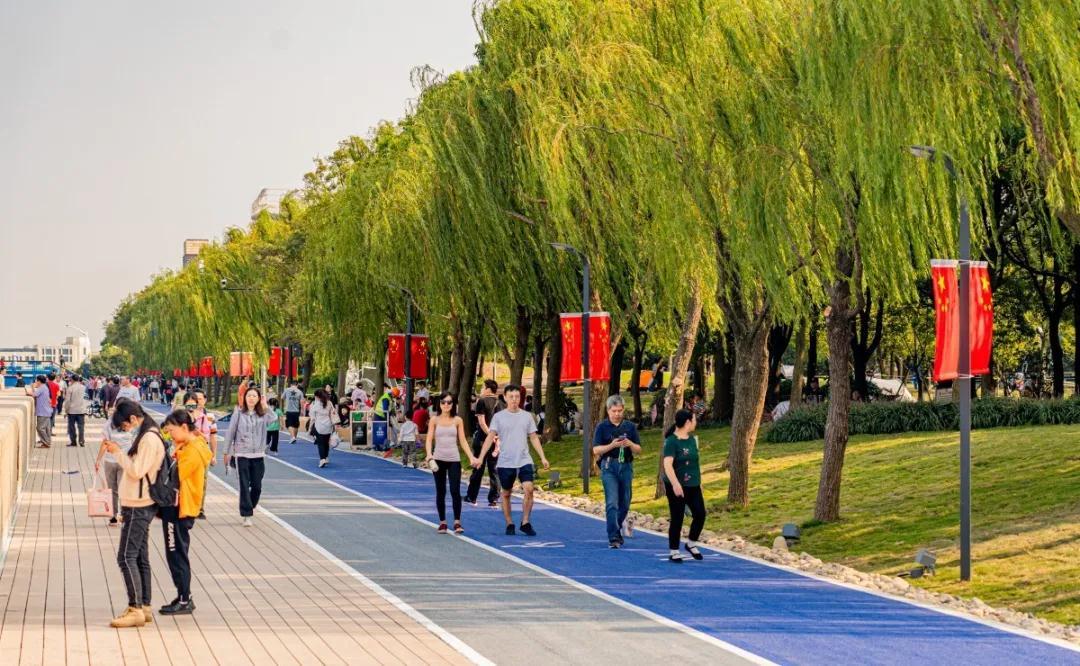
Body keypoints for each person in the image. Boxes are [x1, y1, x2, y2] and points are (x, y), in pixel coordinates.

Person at [102, 400, 166, 627]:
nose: (126, 430)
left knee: (126, 556)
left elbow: (137, 470)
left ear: (132, 419)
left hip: (139, 504)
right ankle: (144, 607)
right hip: (139, 502)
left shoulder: (148, 438)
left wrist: (118, 453)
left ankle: (135, 608)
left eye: (125, 426)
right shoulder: (148, 434)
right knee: (139, 557)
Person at [158, 409, 212, 615]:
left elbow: (176, 475)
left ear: (183, 427)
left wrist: (171, 454)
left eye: (171, 430)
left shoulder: (193, 450)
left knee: (176, 553)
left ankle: (184, 599)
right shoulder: (189, 446)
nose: (170, 435)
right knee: (175, 552)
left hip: (180, 508)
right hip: (179, 506)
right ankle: (183, 595)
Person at [477, 384, 549, 536]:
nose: (514, 400)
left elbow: (533, 437)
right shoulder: (499, 417)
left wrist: (542, 457)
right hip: (506, 461)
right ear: (505, 398)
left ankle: (525, 522)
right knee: (506, 493)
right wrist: (481, 457)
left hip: (524, 459)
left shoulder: (527, 416)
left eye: (517, 397)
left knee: (529, 489)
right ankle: (509, 522)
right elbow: (490, 437)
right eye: (511, 397)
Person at [223, 387, 277, 526]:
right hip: (242, 454)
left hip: (258, 455)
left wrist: (265, 406)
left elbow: (274, 418)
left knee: (257, 486)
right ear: (245, 398)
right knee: (244, 485)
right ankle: (247, 515)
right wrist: (226, 452)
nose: (251, 398)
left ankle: (250, 506)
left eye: (254, 396)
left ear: (258, 398)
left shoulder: (263, 414)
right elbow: (230, 432)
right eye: (249, 396)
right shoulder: (238, 413)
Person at [593, 395, 642, 548]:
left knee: (625, 502)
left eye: (620, 411)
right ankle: (613, 536)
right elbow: (596, 450)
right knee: (612, 502)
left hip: (626, 466)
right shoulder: (602, 427)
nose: (617, 414)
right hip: (609, 466)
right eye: (614, 411)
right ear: (608, 411)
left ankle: (617, 526)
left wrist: (630, 444)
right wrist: (612, 445)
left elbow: (639, 449)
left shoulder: (630, 427)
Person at [424, 392, 477, 534]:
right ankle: (442, 522)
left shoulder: (458, 420)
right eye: (443, 402)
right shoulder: (434, 420)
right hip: (438, 459)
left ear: (453, 404)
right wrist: (429, 454)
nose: (446, 405)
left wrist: (471, 457)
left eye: (449, 402)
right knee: (440, 491)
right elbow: (429, 439)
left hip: (454, 459)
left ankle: (457, 522)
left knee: (455, 491)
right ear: (439, 404)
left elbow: (463, 441)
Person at [662, 409, 706, 562]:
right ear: (688, 422)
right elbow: (667, 465)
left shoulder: (692, 440)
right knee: (677, 517)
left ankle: (691, 543)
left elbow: (694, 462)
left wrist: (699, 482)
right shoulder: (671, 441)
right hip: (676, 485)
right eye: (694, 420)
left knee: (700, 514)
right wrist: (675, 484)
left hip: (693, 484)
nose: (695, 423)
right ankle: (674, 550)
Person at [94, 398, 135, 526]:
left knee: (114, 490)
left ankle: (115, 516)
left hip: (113, 460)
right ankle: (121, 515)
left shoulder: (110, 423)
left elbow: (105, 442)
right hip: (122, 461)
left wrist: (98, 460)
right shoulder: (130, 423)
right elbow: (135, 443)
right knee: (121, 489)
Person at [466, 380, 502, 507]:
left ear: (488, 389)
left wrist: (490, 435)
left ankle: (472, 497)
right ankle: (494, 498)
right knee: (494, 469)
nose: (481, 390)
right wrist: (496, 438)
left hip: (482, 439)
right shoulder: (501, 403)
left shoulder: (481, 401)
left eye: (483, 387)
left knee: (478, 468)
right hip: (496, 440)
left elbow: (482, 422)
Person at [188, 389, 217, 519]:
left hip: (203, 452)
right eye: (195, 399)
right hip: (188, 451)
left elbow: (212, 436)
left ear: (205, 400)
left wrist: (213, 455)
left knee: (203, 480)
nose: (198, 402)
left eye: (200, 399)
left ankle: (200, 508)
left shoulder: (209, 416)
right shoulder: (185, 414)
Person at [308, 388, 338, 468]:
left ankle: (322, 459)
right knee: (326, 442)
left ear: (317, 396)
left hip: (319, 426)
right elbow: (333, 413)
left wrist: (310, 429)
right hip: (328, 425)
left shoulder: (315, 404)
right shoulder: (329, 403)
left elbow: (312, 418)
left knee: (320, 443)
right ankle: (326, 457)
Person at [26, 375, 53, 448]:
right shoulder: (44, 387)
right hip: (46, 411)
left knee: (40, 428)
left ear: (39, 381)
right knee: (46, 429)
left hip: (43, 411)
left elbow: (34, 394)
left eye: (36, 381)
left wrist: (31, 388)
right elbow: (36, 394)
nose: (36, 382)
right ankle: (47, 442)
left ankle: (46, 442)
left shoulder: (42, 388)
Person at [64, 375, 89, 447]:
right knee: (81, 427)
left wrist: (66, 410)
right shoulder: (84, 387)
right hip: (81, 410)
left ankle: (73, 442)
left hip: (72, 410)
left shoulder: (70, 388)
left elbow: (67, 401)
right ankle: (81, 441)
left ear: (72, 380)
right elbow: (87, 399)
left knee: (71, 427)